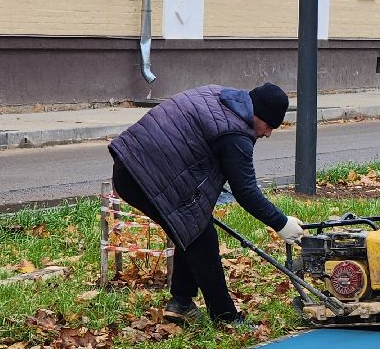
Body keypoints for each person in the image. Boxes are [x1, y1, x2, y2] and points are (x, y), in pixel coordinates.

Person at [108, 83, 304, 326]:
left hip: (129, 162)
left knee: (192, 225)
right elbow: (246, 192)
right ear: (258, 116)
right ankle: (225, 316)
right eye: (269, 126)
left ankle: (181, 302)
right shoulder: (236, 134)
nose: (267, 134)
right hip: (144, 175)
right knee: (202, 237)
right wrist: (281, 223)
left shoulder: (219, 94)